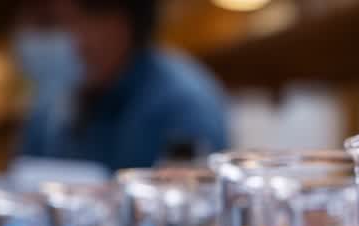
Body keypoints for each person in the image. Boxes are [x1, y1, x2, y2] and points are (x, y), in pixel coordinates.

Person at [14, 0, 229, 171]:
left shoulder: (183, 103)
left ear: (124, 22)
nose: (73, 41)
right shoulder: (47, 108)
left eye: (49, 22)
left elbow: (192, 213)